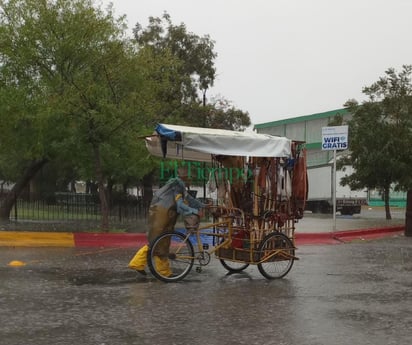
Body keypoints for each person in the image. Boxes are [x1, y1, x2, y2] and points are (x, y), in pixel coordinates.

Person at [128, 167, 208, 276]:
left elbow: (189, 199)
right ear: (186, 178)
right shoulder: (178, 185)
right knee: (157, 241)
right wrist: (195, 211)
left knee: (163, 243)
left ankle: (164, 272)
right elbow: (180, 205)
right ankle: (137, 263)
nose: (191, 180)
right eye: (190, 178)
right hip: (162, 214)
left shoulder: (177, 184)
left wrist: (203, 205)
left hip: (164, 213)